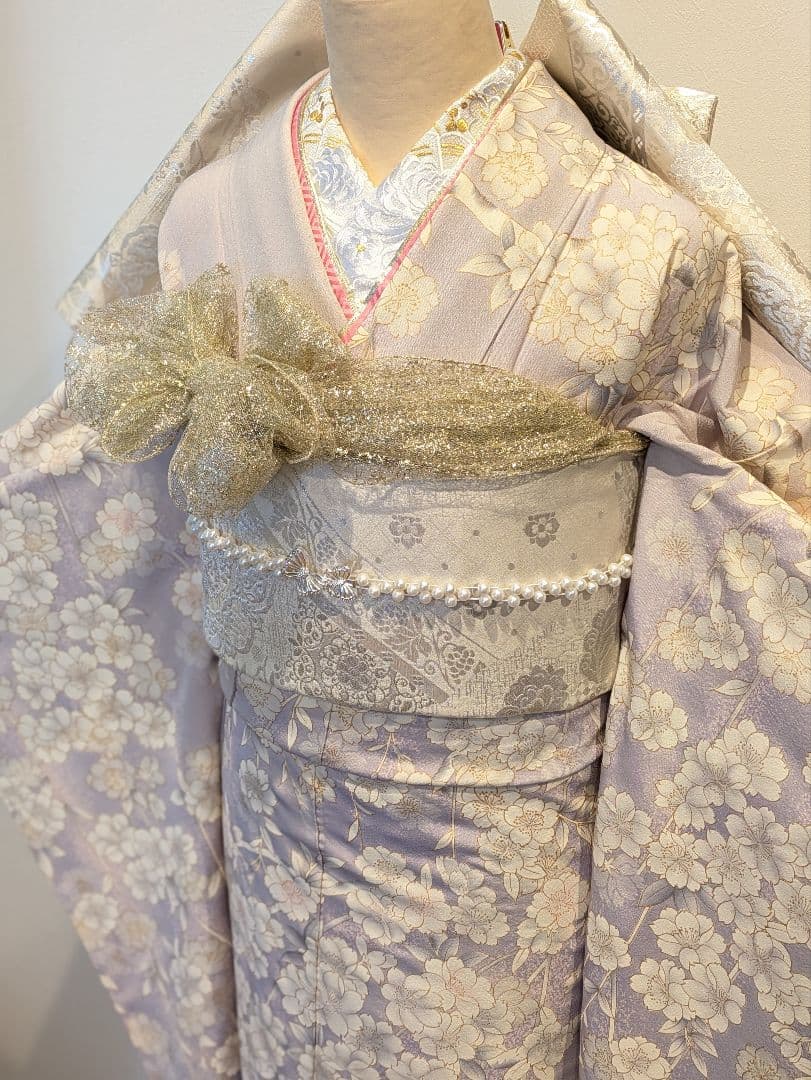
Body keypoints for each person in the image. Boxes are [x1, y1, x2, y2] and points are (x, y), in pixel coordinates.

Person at [1, 2, 808, 1077]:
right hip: (269, 820)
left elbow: (709, 579)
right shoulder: (211, 213)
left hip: (508, 857)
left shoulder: (641, 237)